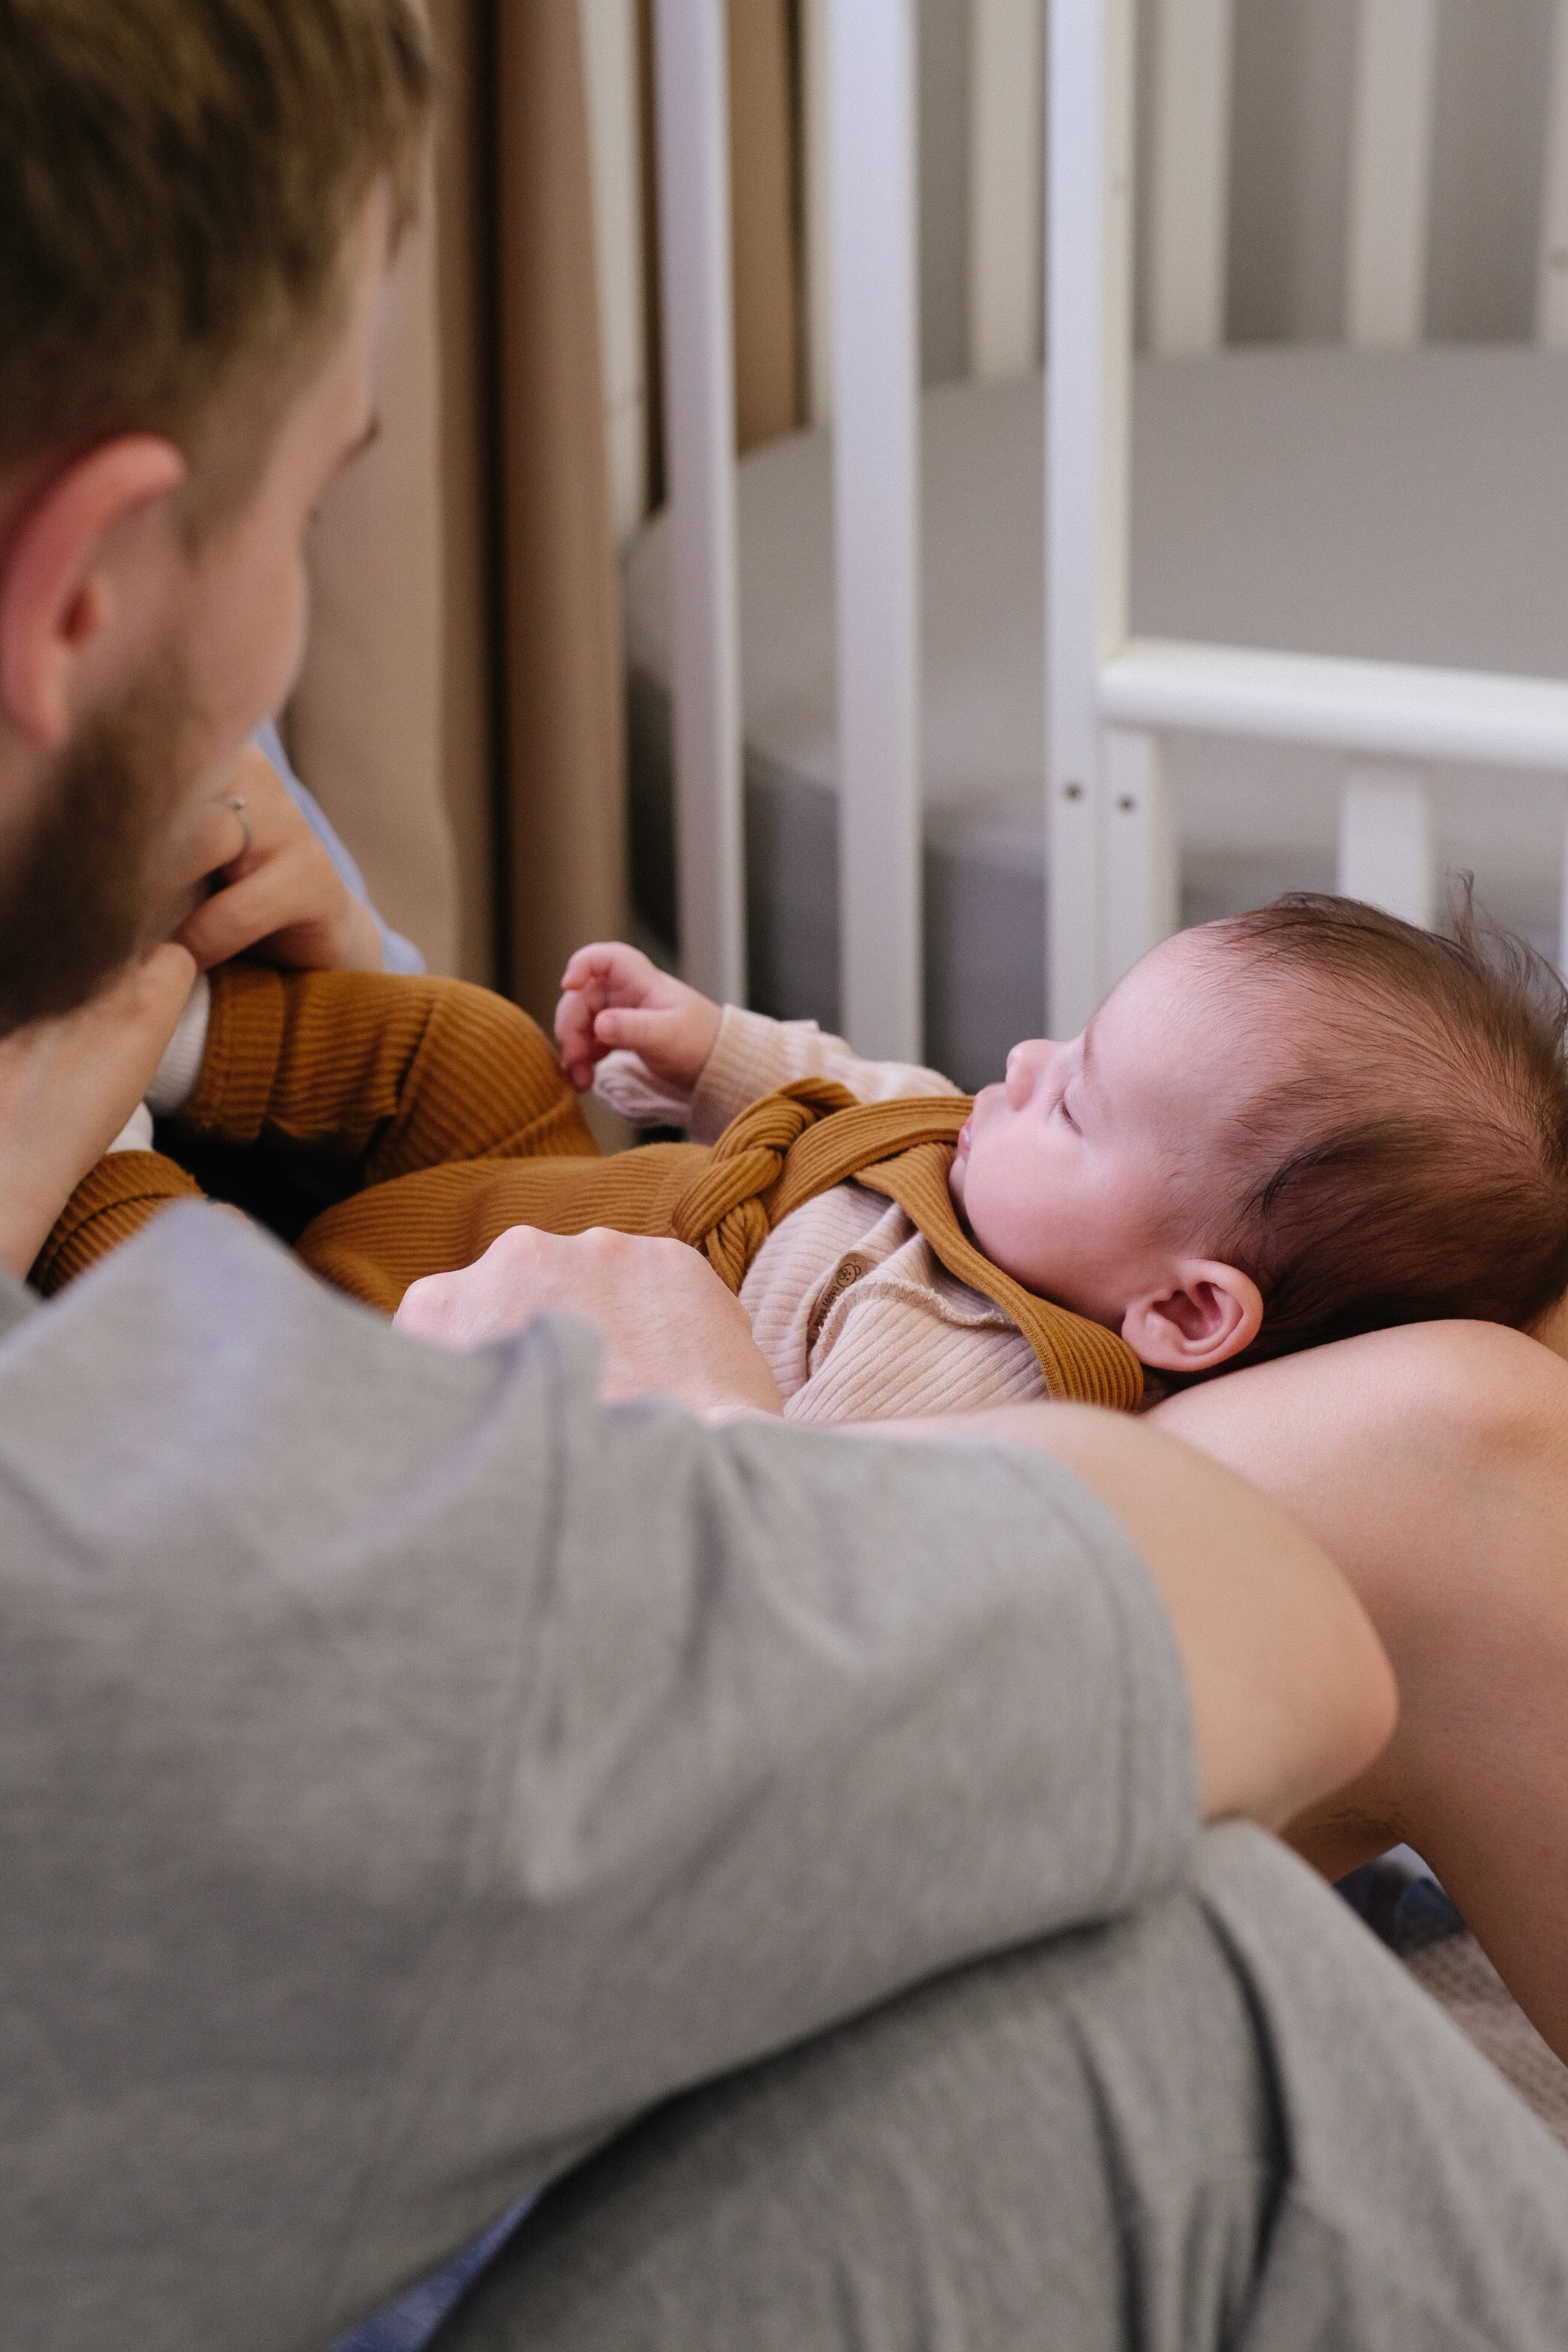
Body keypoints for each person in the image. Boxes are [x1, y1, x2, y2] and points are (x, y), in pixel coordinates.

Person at [5, 8, 1568, 2350]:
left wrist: (266, 1035)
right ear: (80, 591)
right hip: (613, 1712)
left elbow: (586, 1125)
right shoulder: (192, 1549)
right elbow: (1259, 1636)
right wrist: (699, 1449)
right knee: (1174, 2013)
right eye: (318, 502)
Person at [31, 894, 1568, 1434]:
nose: (1020, 1070)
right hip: (577, 1198)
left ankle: (96, 1155)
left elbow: (797, 1509)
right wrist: (709, 1048)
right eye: (1067, 1043)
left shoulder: (983, 1375)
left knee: (229, 1350)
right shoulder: (1009, 1183)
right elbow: (869, 1094)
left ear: (1178, 1316)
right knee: (477, 1055)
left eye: (1077, 1104)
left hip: (453, 1344)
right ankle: (172, 1035)